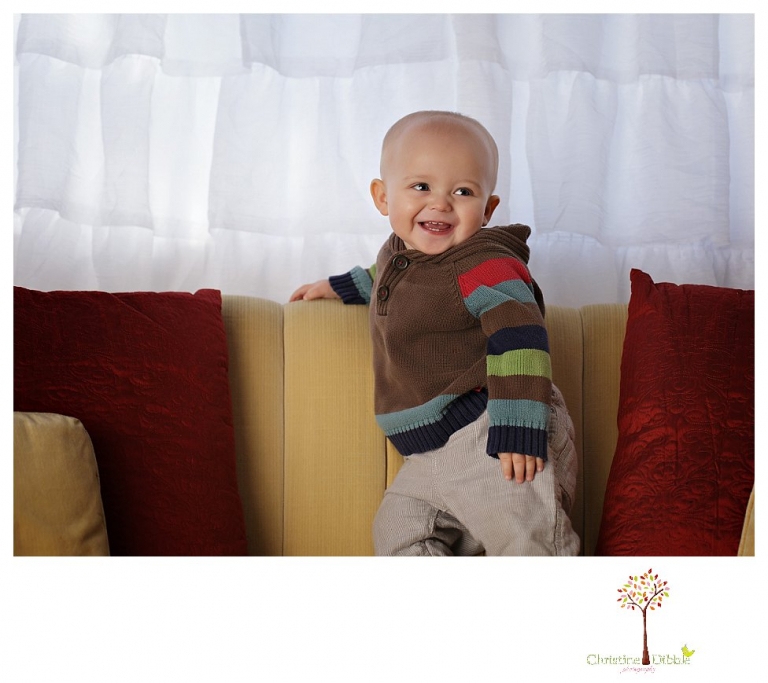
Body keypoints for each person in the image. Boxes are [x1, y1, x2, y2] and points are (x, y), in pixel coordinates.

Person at [291, 110, 579, 556]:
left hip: (492, 430)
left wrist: (518, 429)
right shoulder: (400, 252)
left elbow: (520, 334)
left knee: (526, 546)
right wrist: (339, 286)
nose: (440, 203)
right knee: (400, 537)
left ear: (487, 209)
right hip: (428, 455)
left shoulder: (483, 264)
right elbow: (386, 277)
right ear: (383, 196)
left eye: (462, 191)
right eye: (421, 186)